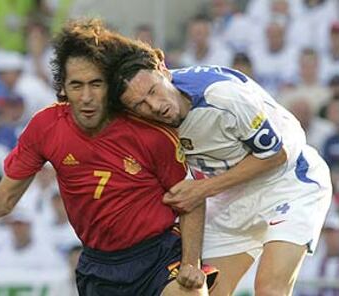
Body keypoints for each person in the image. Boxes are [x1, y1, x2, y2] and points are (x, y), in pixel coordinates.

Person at [0, 19, 214, 296]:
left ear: (110, 86)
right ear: (63, 88)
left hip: (158, 254)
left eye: (96, 84)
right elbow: (4, 198)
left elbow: (191, 198)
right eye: (77, 85)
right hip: (98, 266)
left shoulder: (148, 131)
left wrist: (191, 263)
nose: (87, 96)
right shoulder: (45, 127)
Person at [104, 29, 332, 295]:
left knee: (269, 289)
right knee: (202, 291)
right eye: (140, 104)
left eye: (154, 91)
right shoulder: (145, 123)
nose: (154, 106)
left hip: (290, 182)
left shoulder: (222, 96)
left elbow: (275, 155)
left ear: (164, 70)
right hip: (230, 196)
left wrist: (202, 189)